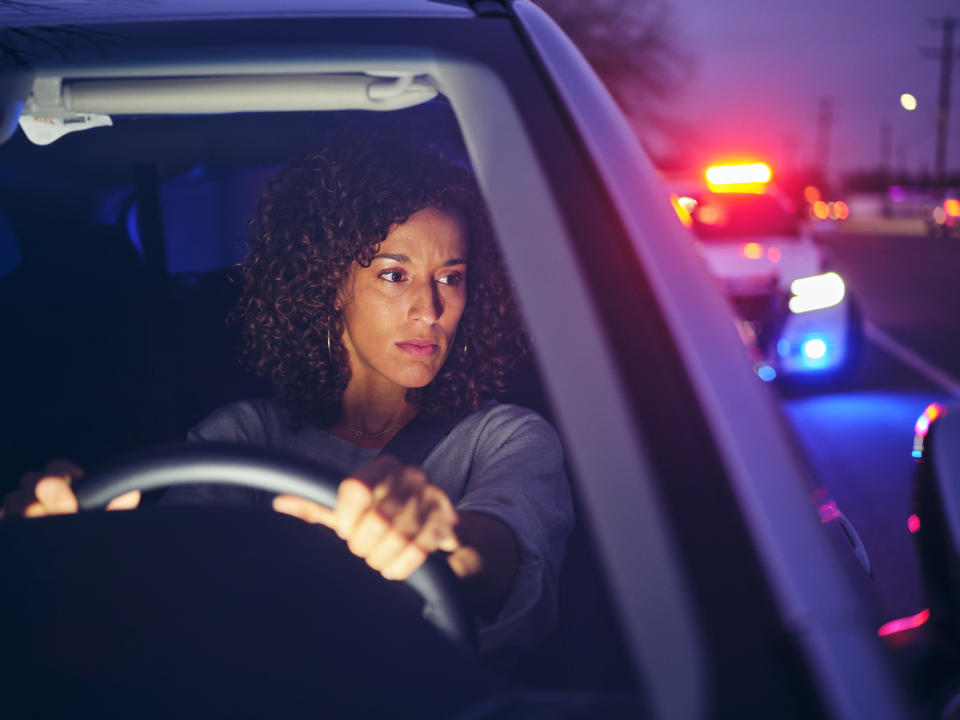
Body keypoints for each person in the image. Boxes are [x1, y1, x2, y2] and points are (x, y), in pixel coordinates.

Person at [1, 131, 574, 655]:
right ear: (330, 283)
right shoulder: (241, 435)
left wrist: (446, 541)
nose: (430, 309)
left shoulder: (507, 438)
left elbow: (506, 555)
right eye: (394, 274)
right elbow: (172, 582)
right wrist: (73, 558)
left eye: (451, 276)